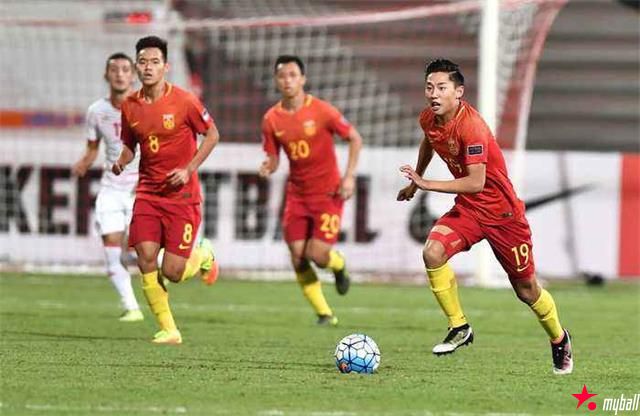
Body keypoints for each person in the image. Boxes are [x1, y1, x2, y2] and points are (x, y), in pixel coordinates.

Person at [397, 58, 573, 374]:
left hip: (503, 215)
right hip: (469, 210)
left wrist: (426, 183)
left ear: (458, 92)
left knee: (526, 290)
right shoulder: (429, 118)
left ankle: (559, 338)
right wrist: (414, 182)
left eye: (441, 87)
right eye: (429, 87)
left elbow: (475, 183)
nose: (433, 94)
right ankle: (459, 326)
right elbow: (430, 141)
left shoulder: (471, 127)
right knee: (432, 252)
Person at [112, 36, 219, 345]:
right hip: (148, 193)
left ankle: (204, 256)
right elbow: (130, 146)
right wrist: (122, 160)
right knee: (145, 256)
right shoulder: (130, 106)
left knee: (173, 271)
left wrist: (188, 169)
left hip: (182, 198)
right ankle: (169, 329)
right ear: (136, 67)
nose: (148, 67)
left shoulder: (184, 101)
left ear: (166, 67)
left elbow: (212, 134)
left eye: (155, 62)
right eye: (143, 62)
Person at [258, 55, 363, 326]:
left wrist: (349, 177)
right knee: (297, 255)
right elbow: (273, 157)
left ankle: (338, 265)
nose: (287, 81)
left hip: (328, 193)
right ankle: (324, 313)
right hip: (297, 195)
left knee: (317, 255)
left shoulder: (322, 111)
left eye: (293, 75)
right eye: (282, 76)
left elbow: (354, 138)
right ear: (276, 80)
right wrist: (269, 165)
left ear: (303, 79)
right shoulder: (271, 119)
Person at [72, 52, 143, 322]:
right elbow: (93, 148)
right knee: (112, 252)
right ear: (106, 75)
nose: (120, 74)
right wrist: (84, 162)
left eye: (125, 69)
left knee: (144, 254)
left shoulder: (144, 107)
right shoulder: (96, 111)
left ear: (133, 76)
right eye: (114, 69)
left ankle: (196, 255)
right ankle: (132, 307)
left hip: (140, 188)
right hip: (111, 189)